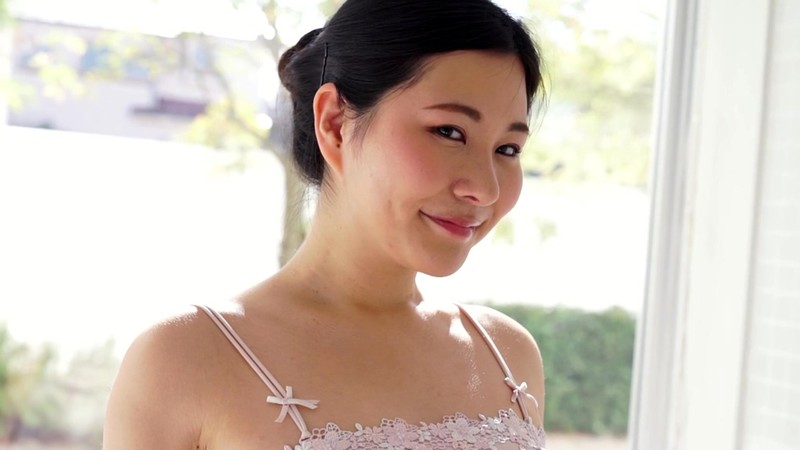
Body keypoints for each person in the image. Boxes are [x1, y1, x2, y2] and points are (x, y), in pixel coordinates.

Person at [103, 0, 547, 449]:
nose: (485, 189)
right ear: (335, 123)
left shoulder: (508, 356)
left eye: (507, 149)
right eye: (449, 132)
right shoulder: (186, 360)